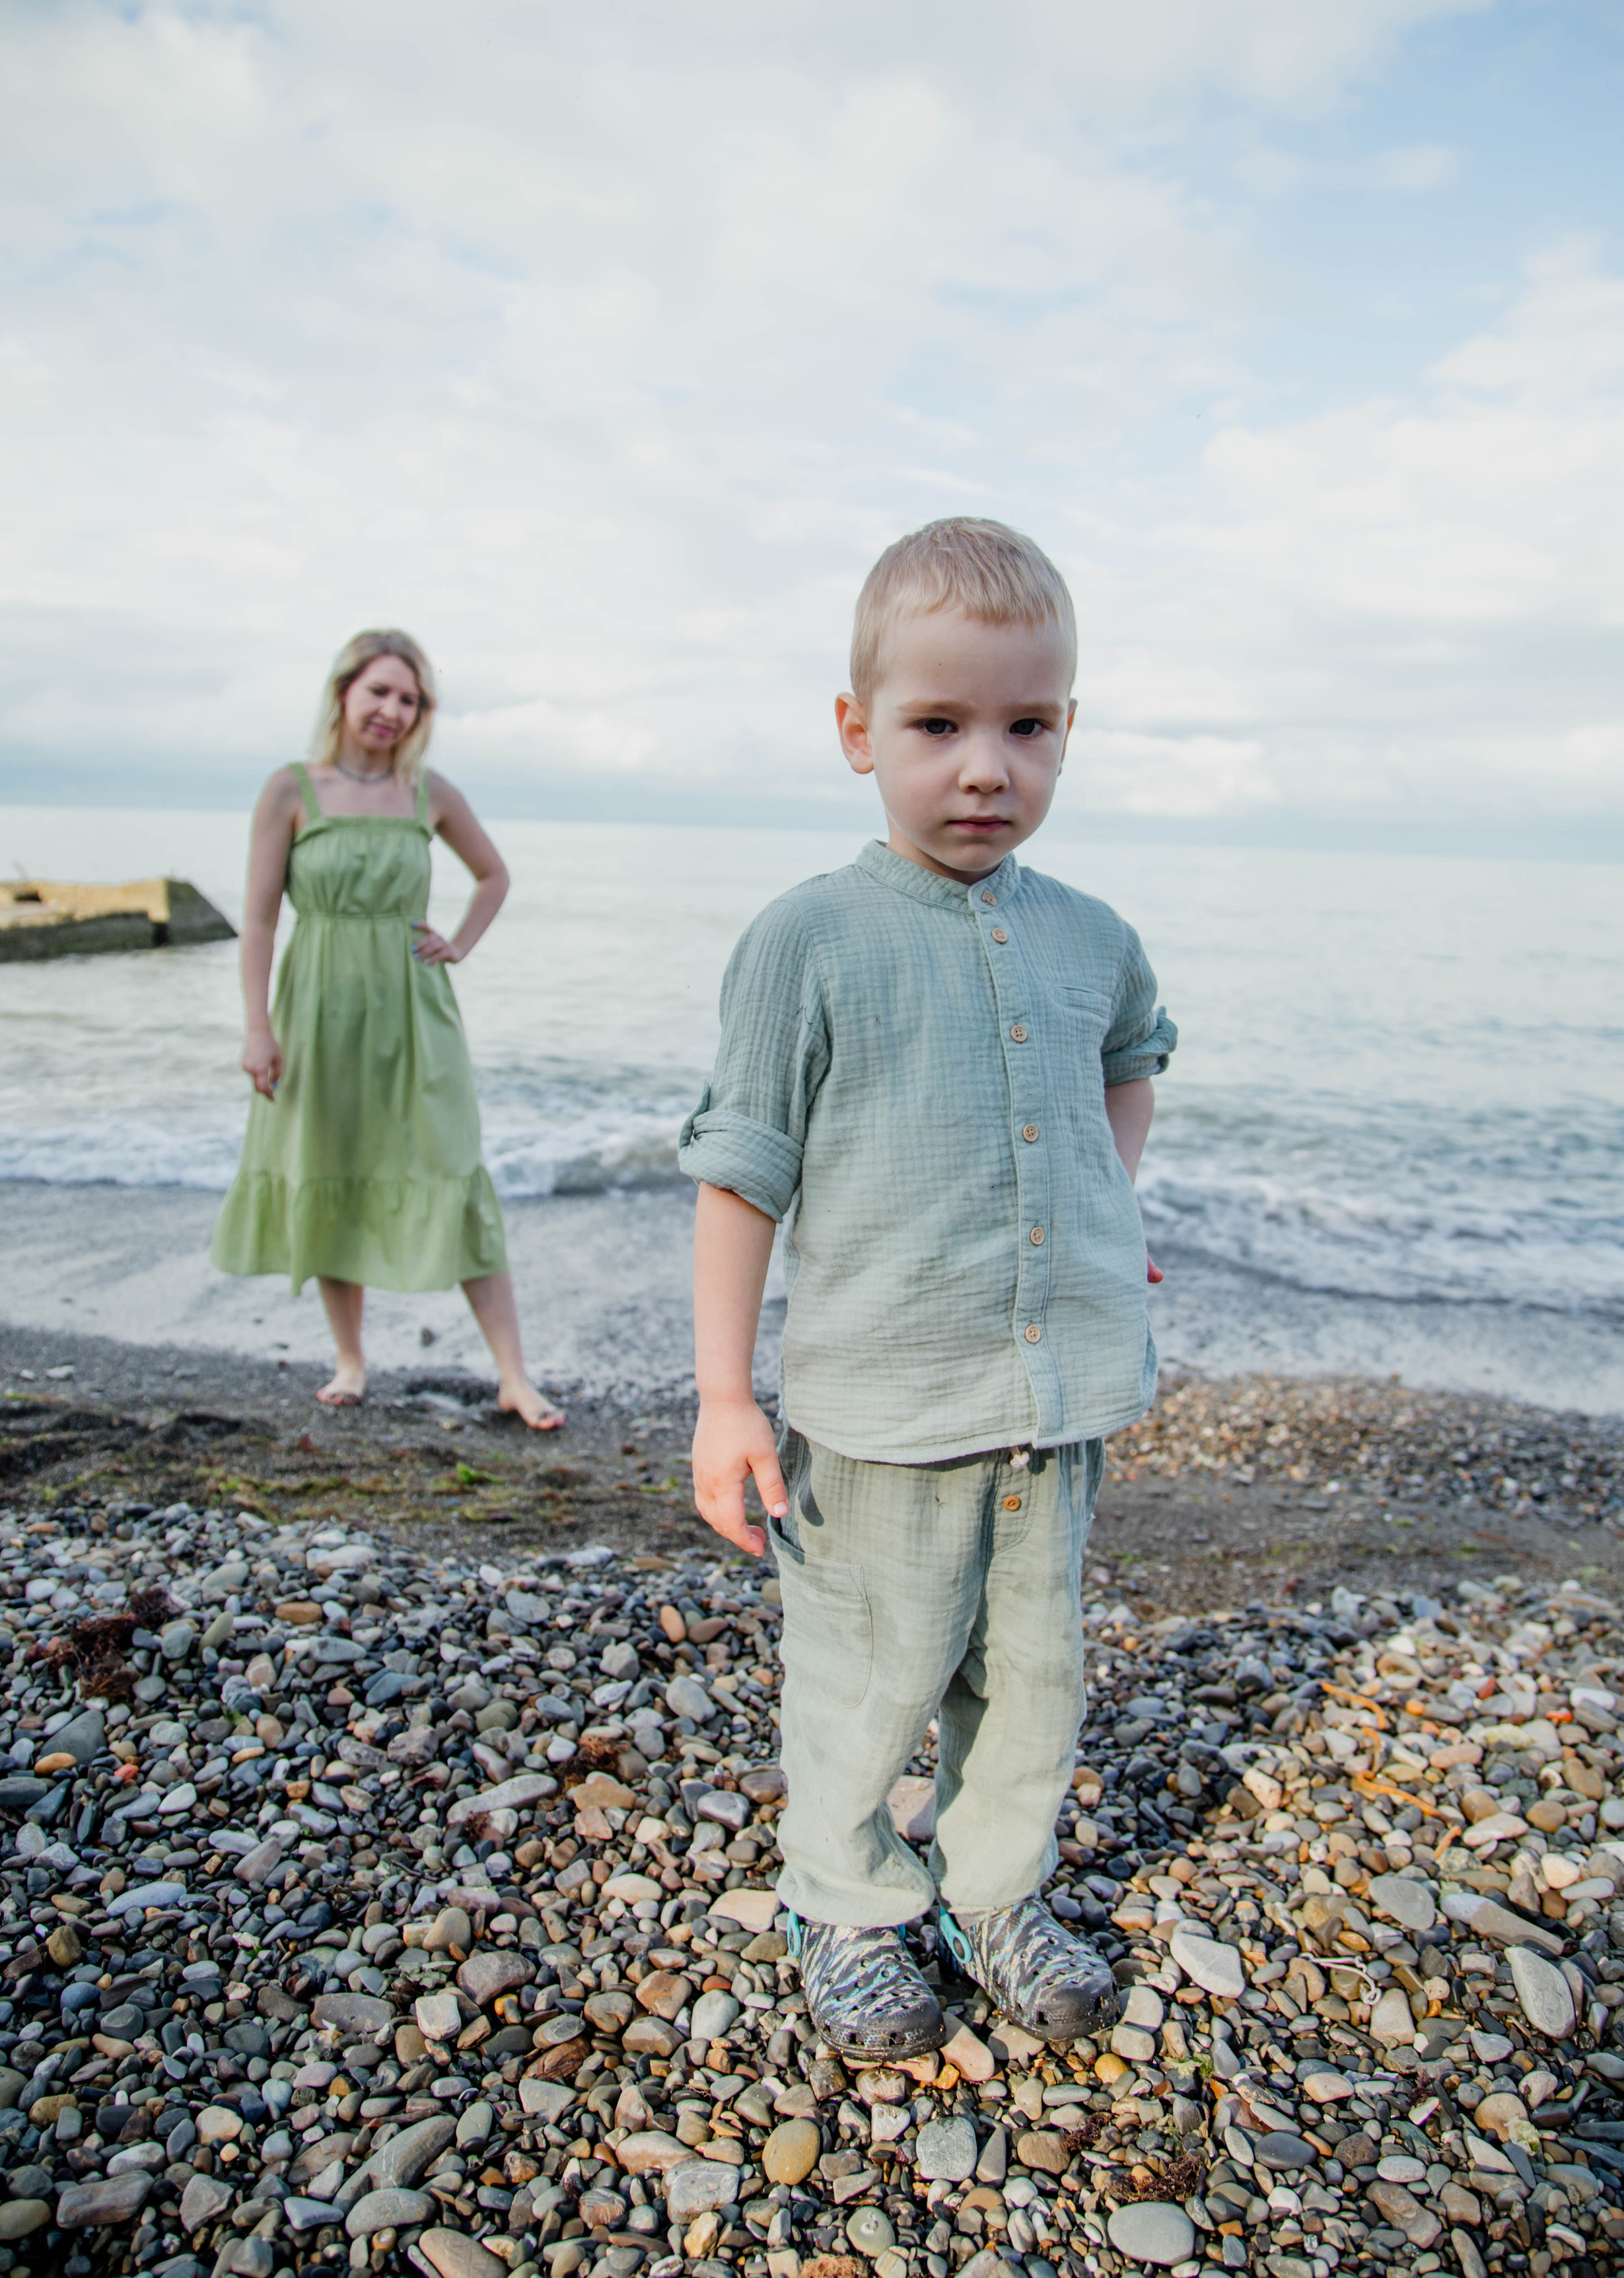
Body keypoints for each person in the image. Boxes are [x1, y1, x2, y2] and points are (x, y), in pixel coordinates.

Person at [678, 517, 1176, 2057]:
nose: (985, 767)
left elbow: (1128, 1063)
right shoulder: (809, 939)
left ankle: (991, 1886)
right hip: (880, 1404)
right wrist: (719, 1397)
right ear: (855, 733)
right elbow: (740, 1167)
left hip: (1055, 1390)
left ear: (1066, 731)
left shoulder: (1089, 933)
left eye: (1025, 727)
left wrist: (1095, 1203)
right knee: (870, 1671)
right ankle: (843, 1894)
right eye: (937, 725)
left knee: (1030, 1670)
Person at [211, 627, 563, 1427]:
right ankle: (350, 1358)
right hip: (317, 1010)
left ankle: (513, 1373)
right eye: (379, 691)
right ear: (343, 693)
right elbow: (261, 921)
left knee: (452, 1167)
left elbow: (494, 875)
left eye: (408, 698)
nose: (392, 710)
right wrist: (256, 1028)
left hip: (414, 1014)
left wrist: (459, 944)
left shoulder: (427, 791)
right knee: (332, 1165)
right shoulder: (289, 789)